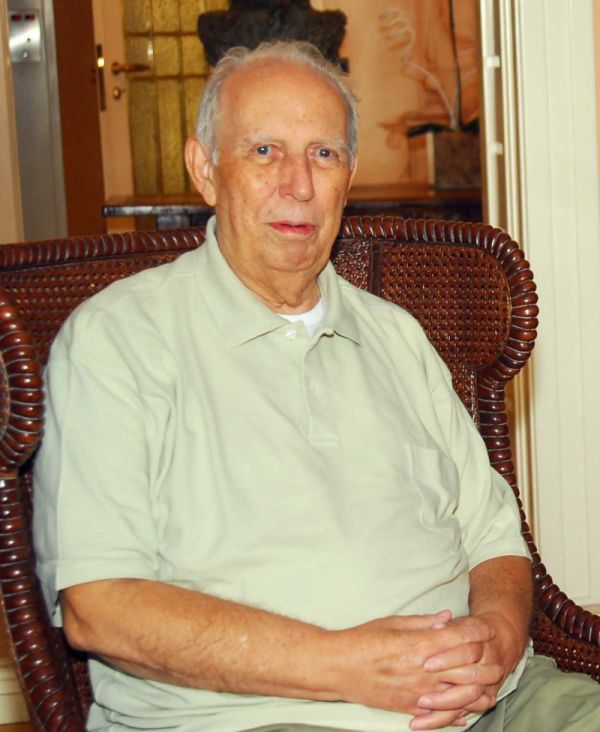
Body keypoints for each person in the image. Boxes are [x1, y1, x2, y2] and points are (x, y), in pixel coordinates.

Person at [33, 40, 600, 732]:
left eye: (323, 154)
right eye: (264, 151)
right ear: (205, 169)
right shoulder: (117, 342)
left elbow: (493, 536)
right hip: (257, 717)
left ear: (347, 178)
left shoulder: (396, 336)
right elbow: (100, 607)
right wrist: (347, 666)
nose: (298, 185)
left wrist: (500, 639)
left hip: (494, 705)